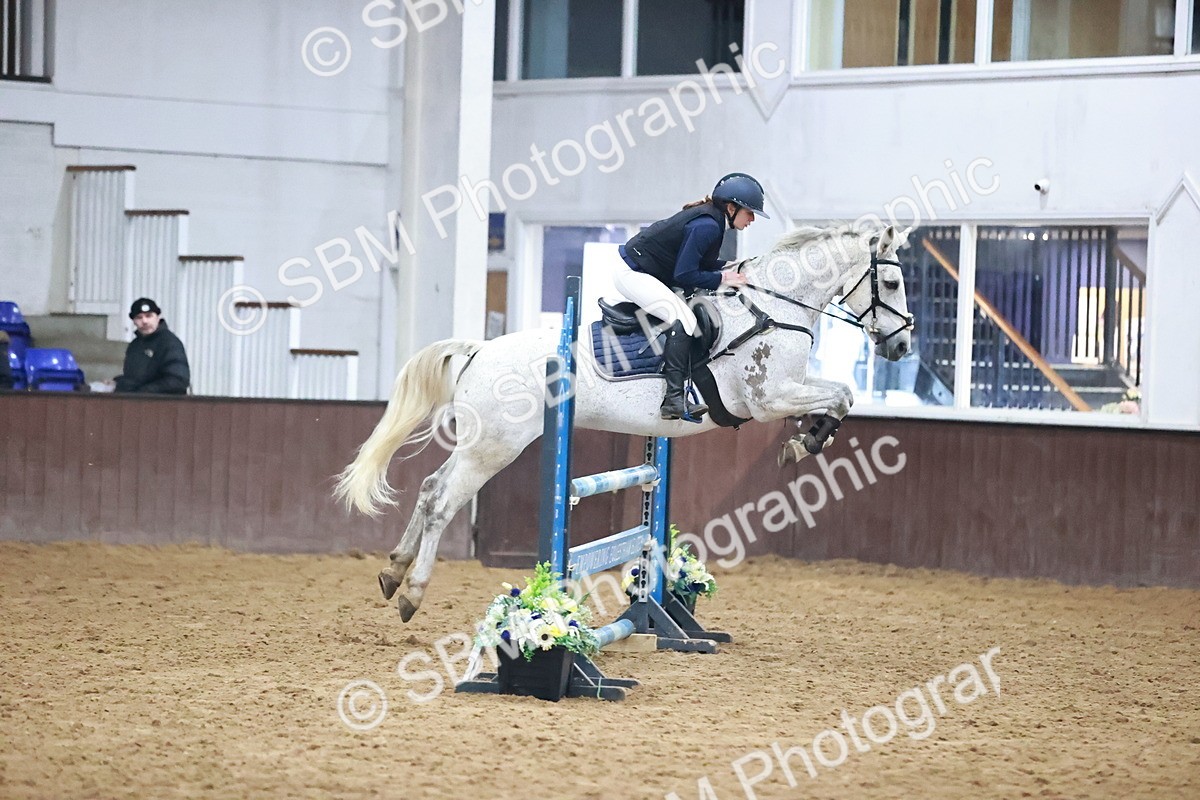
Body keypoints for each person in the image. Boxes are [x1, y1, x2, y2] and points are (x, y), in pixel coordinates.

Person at [614, 172, 767, 420]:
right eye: (749, 212)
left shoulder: (715, 222)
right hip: (632, 273)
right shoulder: (707, 225)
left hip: (647, 271)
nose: (752, 219)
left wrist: (732, 265)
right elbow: (685, 273)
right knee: (683, 318)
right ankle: (673, 399)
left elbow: (702, 262)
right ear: (731, 207)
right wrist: (723, 279)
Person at [112, 298, 191, 394]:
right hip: (137, 404)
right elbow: (136, 378)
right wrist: (118, 383)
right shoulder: (135, 345)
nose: (144, 321)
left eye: (149, 316)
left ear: (157, 317)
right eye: (139, 317)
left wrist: (143, 392)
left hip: (164, 405)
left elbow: (178, 380)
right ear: (134, 321)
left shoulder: (169, 343)